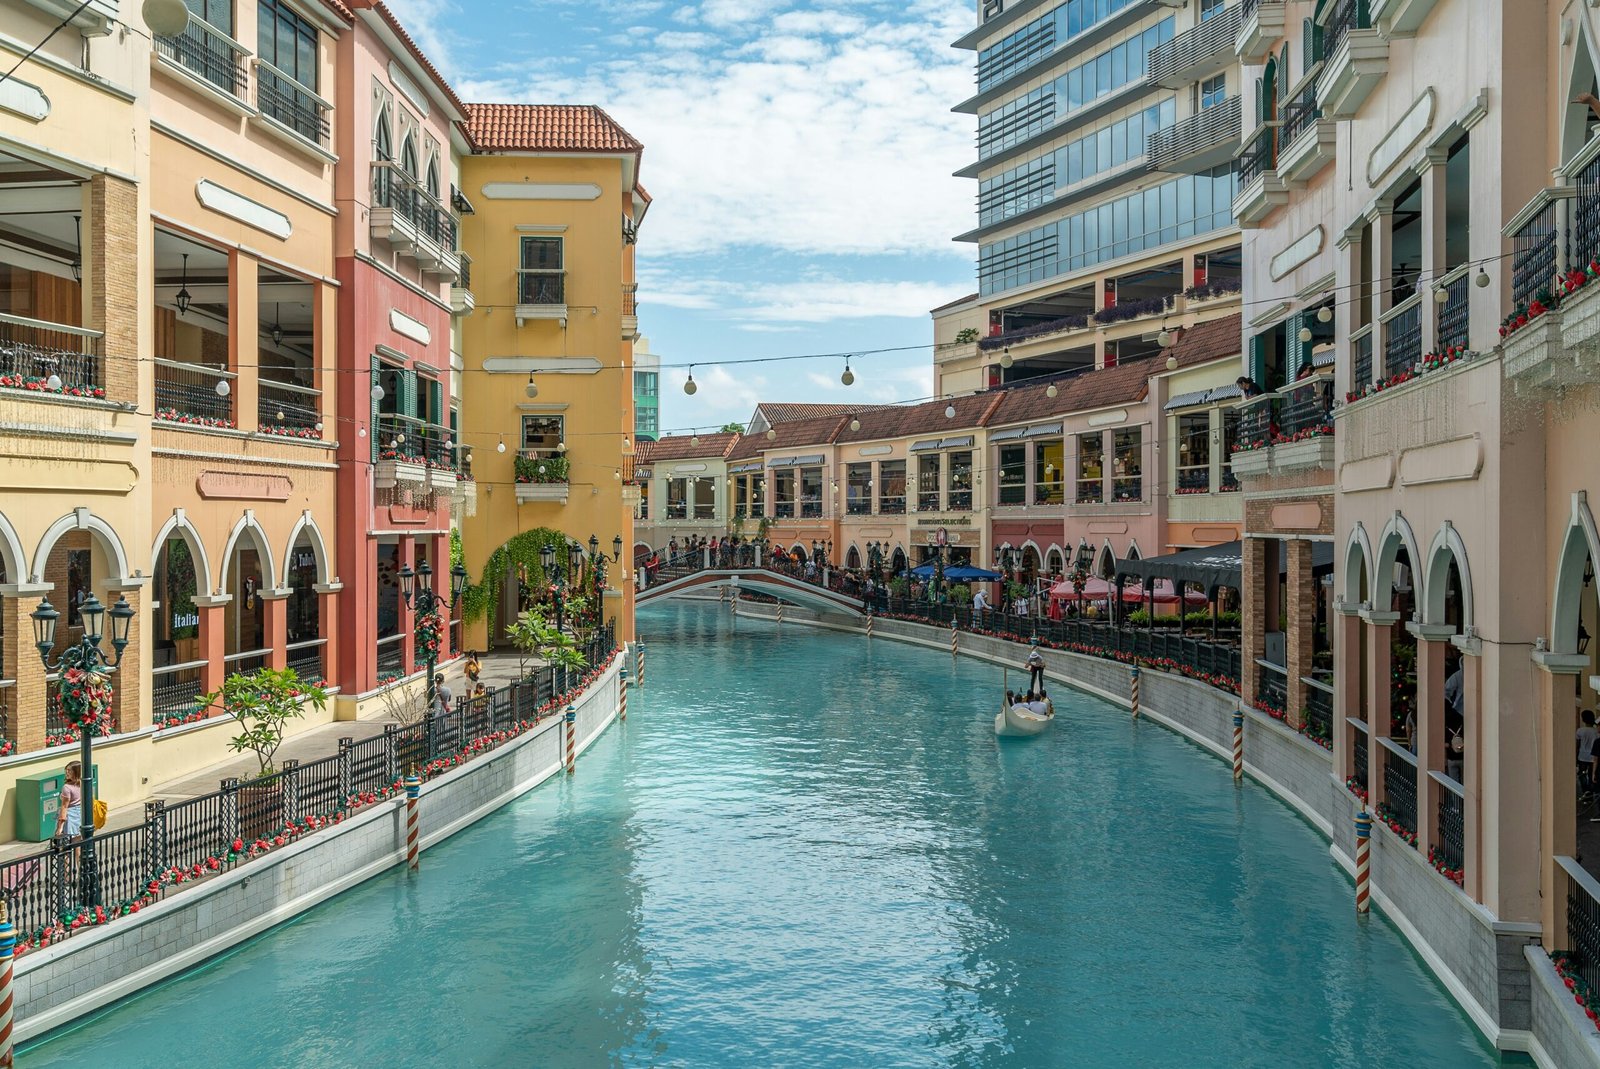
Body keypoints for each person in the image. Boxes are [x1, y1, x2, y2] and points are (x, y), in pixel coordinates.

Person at [57, 760, 83, 840]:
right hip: (81, 814)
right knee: (77, 842)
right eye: (66, 770)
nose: (66, 773)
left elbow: (64, 807)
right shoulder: (83, 783)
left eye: (69, 770)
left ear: (76, 772)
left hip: (70, 817)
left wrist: (60, 827)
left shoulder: (67, 787)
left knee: (66, 844)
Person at [1580, 710, 1600, 790]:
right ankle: (1592, 790)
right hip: (1592, 758)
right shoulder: (1595, 732)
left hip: (1582, 756)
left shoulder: (1580, 731)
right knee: (1591, 774)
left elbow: (1578, 744)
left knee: (1582, 774)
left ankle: (1585, 791)